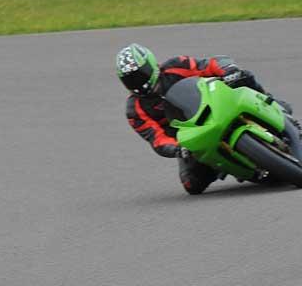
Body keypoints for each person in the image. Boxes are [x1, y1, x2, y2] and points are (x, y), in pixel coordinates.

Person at [116, 43, 297, 195]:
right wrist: (178, 148)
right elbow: (157, 139)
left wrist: (228, 70)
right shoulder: (135, 109)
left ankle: (274, 106)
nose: (138, 82)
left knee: (243, 77)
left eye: (139, 74)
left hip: (214, 106)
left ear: (151, 64)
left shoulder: (176, 65)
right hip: (191, 138)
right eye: (130, 80)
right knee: (192, 186)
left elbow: (209, 64)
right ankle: (242, 167)